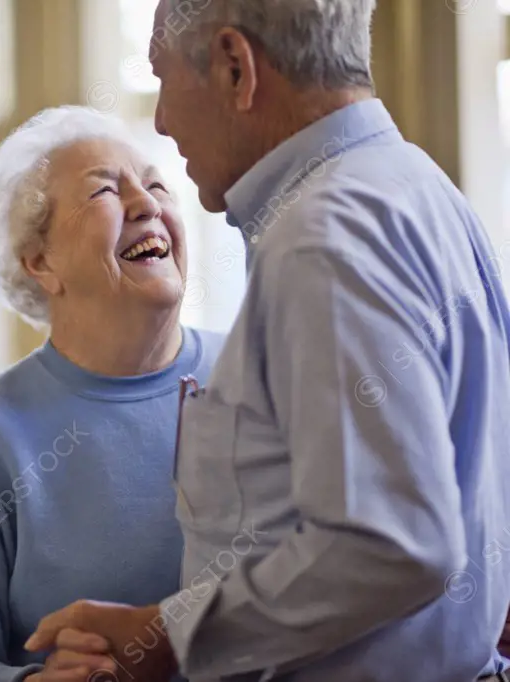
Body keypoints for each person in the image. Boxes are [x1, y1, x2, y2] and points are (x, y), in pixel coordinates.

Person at [25, 1, 510, 681]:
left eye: (162, 77)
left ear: (234, 68)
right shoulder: (423, 191)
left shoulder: (321, 236)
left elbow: (393, 544)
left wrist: (167, 634)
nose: (161, 120)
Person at [0, 106, 224, 682]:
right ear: (40, 262)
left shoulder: (262, 374)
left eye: (157, 183)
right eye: (105, 192)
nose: (148, 204)